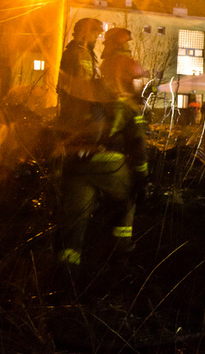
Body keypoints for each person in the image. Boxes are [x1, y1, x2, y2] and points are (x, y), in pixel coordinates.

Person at [56, 27, 149, 281]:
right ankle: (120, 261)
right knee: (127, 202)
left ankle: (65, 274)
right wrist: (141, 179)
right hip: (110, 163)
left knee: (74, 222)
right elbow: (137, 145)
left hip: (77, 162)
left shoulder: (93, 80)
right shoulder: (126, 96)